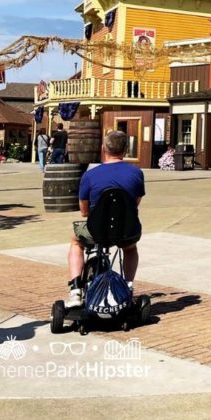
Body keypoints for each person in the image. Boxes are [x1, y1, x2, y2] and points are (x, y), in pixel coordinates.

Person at [65, 130, 145, 308]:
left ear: (103, 148)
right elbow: (134, 204)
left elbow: (84, 211)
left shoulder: (90, 175)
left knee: (76, 241)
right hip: (126, 230)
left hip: (97, 230)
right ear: (125, 149)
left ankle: (76, 290)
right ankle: (128, 285)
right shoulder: (136, 173)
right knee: (130, 249)